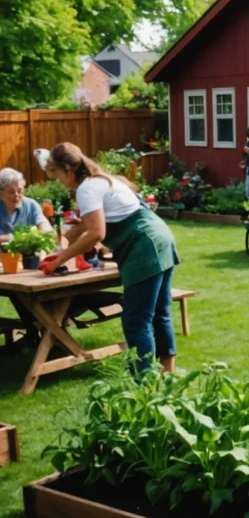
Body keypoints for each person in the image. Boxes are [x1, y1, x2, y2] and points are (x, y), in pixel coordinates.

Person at [43, 143, 179, 373]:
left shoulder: (86, 189)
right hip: (161, 238)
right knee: (159, 314)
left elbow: (97, 232)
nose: (56, 179)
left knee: (136, 320)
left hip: (144, 247)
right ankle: (168, 375)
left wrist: (59, 260)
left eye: (55, 173)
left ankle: (144, 383)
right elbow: (88, 223)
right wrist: (64, 241)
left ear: (67, 169)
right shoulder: (102, 180)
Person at [0, 168, 54, 244]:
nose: (17, 195)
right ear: (1, 194)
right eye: (11, 192)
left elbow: (43, 224)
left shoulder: (31, 205)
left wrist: (45, 231)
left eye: (20, 191)